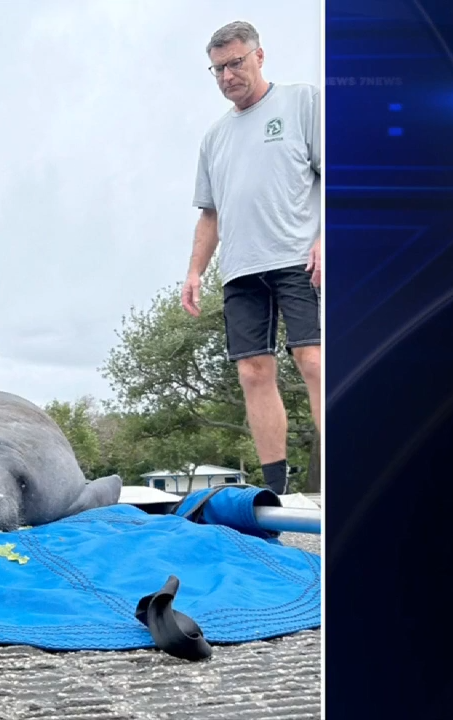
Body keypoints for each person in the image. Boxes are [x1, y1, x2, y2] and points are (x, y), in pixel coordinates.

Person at [181, 20, 322, 495]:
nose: (227, 76)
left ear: (259, 56)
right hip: (241, 268)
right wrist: (194, 271)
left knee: (314, 361)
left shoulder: (303, 102)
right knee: (252, 372)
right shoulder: (214, 138)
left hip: (298, 257)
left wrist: (327, 238)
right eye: (218, 69)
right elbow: (210, 215)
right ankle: (275, 494)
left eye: (235, 63)